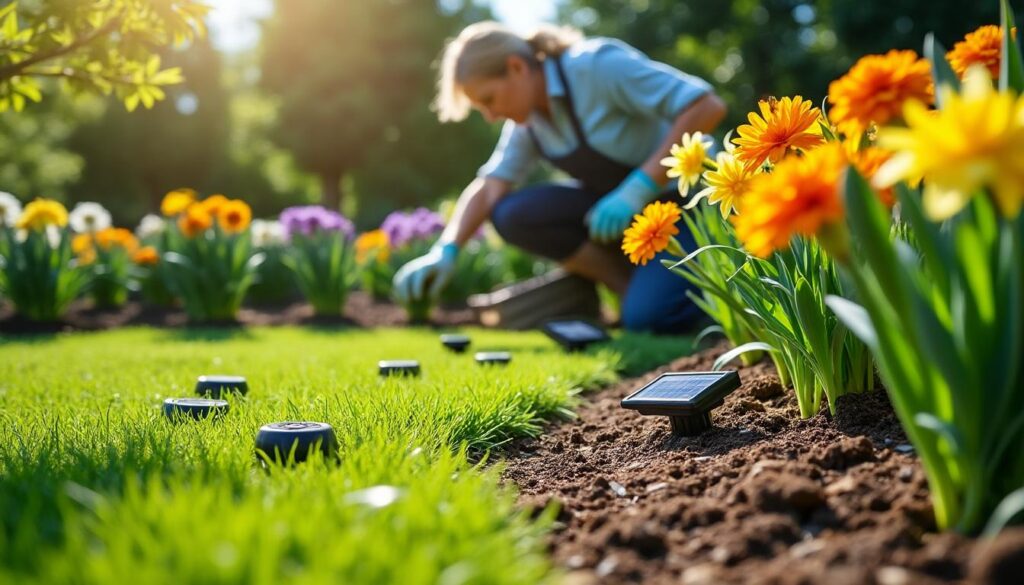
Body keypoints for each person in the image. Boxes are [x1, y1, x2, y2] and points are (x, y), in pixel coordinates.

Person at [392, 21, 727, 333]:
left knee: (649, 318)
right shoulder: (528, 123)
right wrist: (446, 250)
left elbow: (705, 104)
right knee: (512, 213)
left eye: (489, 100)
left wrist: (639, 186)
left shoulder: (596, 66)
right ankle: (626, 287)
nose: (491, 116)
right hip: (628, 217)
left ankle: (692, 296)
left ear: (516, 67)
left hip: (686, 206)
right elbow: (490, 186)